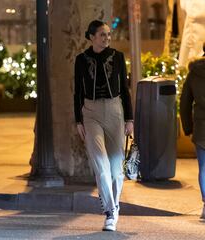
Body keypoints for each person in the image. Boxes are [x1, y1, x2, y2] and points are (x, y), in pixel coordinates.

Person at [73, 20, 133, 231]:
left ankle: (114, 204)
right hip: (90, 113)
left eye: (108, 34)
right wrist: (78, 120)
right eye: (102, 35)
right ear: (91, 37)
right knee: (100, 163)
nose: (107, 38)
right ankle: (109, 211)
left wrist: (130, 119)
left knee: (117, 168)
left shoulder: (118, 57)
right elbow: (77, 91)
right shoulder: (81, 60)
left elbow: (125, 90)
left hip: (115, 110)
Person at [180, 43, 205, 220]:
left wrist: (188, 127)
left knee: (204, 167)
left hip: (201, 126)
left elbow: (185, 102)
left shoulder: (194, 73)